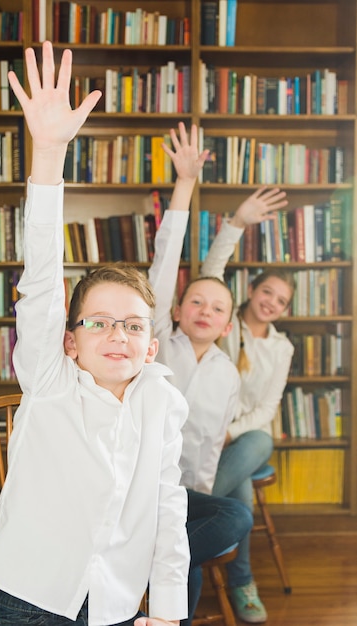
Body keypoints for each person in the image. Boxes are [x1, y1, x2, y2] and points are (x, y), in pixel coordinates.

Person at [0, 41, 191, 626]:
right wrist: (48, 155)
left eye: (131, 325)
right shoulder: (51, 381)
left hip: (114, 603)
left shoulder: (162, 401)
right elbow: (44, 281)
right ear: (70, 340)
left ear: (151, 345)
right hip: (33, 594)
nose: (116, 334)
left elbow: (169, 507)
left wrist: (169, 607)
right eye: (97, 322)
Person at [149, 122, 254, 626]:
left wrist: (197, 505)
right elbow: (165, 265)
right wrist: (185, 184)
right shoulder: (152, 344)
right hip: (142, 486)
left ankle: (170, 607)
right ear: (176, 309)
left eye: (217, 307)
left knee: (225, 520)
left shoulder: (227, 374)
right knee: (184, 541)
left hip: (183, 497)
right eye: (196, 301)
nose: (205, 310)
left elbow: (210, 447)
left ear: (228, 324)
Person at [201, 188, 295, 624]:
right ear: (252, 289)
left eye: (281, 300)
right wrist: (238, 221)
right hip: (205, 436)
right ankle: (242, 582)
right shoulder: (224, 323)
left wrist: (230, 434)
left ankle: (189, 508)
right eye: (267, 292)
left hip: (241, 439)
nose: (271, 302)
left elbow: (267, 409)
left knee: (258, 438)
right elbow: (211, 272)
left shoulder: (282, 348)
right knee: (240, 492)